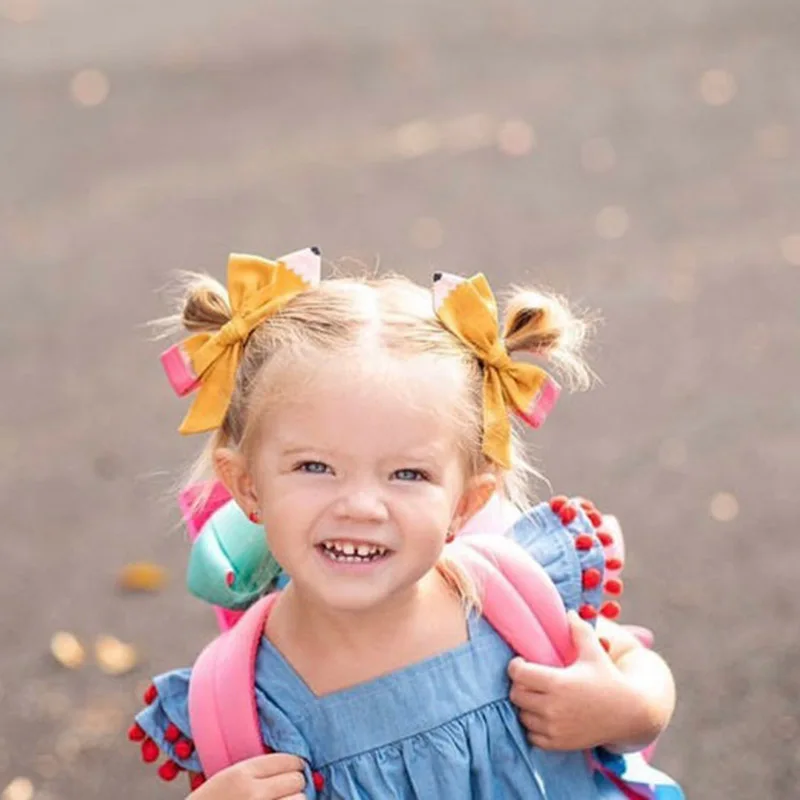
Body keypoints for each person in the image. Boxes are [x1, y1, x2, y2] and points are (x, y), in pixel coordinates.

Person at [130, 249, 677, 798]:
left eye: (408, 474)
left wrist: (629, 709)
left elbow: (634, 664)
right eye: (315, 467)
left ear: (465, 504)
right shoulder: (239, 706)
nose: (361, 507)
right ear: (247, 484)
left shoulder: (512, 598)